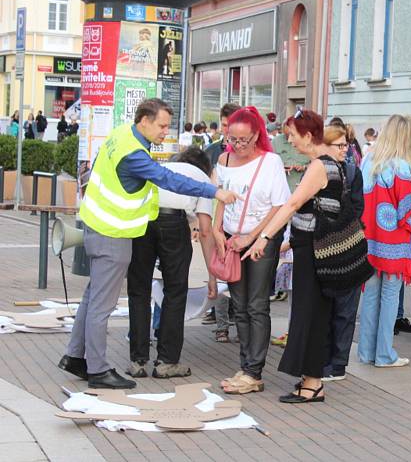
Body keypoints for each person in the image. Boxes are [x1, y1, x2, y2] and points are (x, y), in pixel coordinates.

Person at [57, 98, 238, 390]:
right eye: (162, 125)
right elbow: (167, 179)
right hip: (112, 235)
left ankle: (76, 356)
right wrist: (213, 191)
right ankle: (98, 370)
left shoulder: (121, 135)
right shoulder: (134, 154)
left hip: (98, 227)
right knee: (102, 306)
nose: (165, 131)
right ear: (144, 120)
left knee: (93, 298)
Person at [240, 109, 344, 404]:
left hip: (314, 252)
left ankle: (313, 383)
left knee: (310, 315)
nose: (291, 142)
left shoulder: (319, 166)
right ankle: (310, 380)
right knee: (311, 314)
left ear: (309, 136)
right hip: (314, 249)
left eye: (293, 136)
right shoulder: (329, 163)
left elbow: (292, 205)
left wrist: (263, 237)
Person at [214, 107, 290, 395]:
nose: (237, 145)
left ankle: (254, 371)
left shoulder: (270, 162)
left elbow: (278, 206)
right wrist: (219, 231)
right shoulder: (224, 159)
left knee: (257, 304)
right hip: (232, 239)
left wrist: (251, 238)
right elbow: (220, 197)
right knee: (239, 304)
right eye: (232, 139)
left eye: (244, 140)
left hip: (261, 239)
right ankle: (246, 365)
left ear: (257, 135)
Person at [125, 147, 218, 379]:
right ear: (204, 167)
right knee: (175, 291)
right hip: (174, 224)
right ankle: (167, 361)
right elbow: (206, 231)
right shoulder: (201, 178)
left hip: (143, 222)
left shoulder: (163, 168)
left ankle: (137, 360)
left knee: (139, 290)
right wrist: (212, 274)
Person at [359, 115, 411, 368]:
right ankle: (384, 354)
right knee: (389, 296)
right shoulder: (401, 167)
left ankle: (366, 351)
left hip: (370, 238)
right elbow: (404, 212)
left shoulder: (368, 161)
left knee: (371, 294)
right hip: (394, 241)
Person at [321, 124, 365, 381]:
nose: (345, 149)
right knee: (327, 307)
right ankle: (325, 358)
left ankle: (338, 363)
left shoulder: (352, 172)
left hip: (347, 246)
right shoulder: (317, 170)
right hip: (324, 247)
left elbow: (358, 207)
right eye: (339, 145)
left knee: (346, 308)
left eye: (345, 144)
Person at [272, 117, 311, 192]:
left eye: (291, 135)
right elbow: (269, 164)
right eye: (286, 135)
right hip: (281, 189)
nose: (289, 139)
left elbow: (316, 163)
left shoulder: (308, 143)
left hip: (301, 189)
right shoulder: (275, 142)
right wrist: (280, 168)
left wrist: (304, 167)